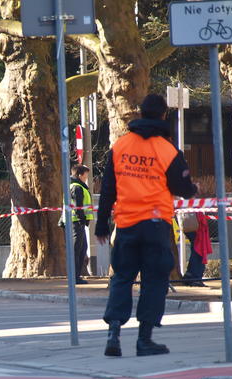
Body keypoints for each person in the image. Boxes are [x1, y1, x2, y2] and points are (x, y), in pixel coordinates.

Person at [95, 94, 198, 358]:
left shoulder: (120, 146)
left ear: (140, 113)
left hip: (126, 224)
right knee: (154, 280)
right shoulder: (168, 150)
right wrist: (193, 188)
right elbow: (182, 188)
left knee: (122, 277)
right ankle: (144, 339)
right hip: (155, 225)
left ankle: (113, 334)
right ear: (164, 115)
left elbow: (108, 189)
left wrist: (102, 224)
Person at [68, 164, 93, 285]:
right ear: (79, 175)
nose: (86, 178)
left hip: (77, 222)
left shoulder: (77, 186)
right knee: (78, 250)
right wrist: (82, 219)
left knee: (82, 249)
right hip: (77, 222)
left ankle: (76, 276)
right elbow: (78, 207)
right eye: (85, 176)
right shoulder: (77, 187)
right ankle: (74, 277)